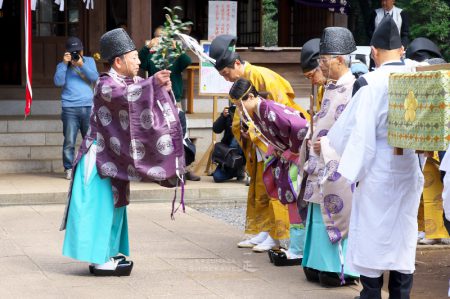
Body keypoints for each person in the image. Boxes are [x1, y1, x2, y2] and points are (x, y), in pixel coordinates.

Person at [61, 28, 183, 276]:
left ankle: (109, 251)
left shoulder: (135, 82)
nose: (138, 61)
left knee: (116, 205)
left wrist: (162, 87)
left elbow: (145, 94)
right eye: (134, 56)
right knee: (100, 206)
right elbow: (126, 95)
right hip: (98, 156)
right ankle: (98, 258)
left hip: (115, 155)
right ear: (118, 61)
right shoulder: (105, 84)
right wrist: (153, 84)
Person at [327, 16, 424, 299]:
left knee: (371, 233)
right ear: (402, 50)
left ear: (373, 51)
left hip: (378, 166)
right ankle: (400, 295)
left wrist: (352, 170)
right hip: (409, 164)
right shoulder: (420, 75)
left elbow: (354, 134)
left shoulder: (368, 81)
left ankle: (370, 294)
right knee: (403, 233)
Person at [209, 34, 309, 252]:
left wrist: (259, 133)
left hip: (275, 144)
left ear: (237, 63)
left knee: (277, 188)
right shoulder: (240, 82)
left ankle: (276, 234)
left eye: (227, 73)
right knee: (261, 187)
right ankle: (264, 229)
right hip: (258, 143)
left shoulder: (262, 76)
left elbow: (283, 114)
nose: (227, 79)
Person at [297, 29, 358, 287]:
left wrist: (329, 146)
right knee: (315, 211)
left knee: (333, 211)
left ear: (340, 61)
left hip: (336, 165)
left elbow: (356, 131)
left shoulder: (356, 88)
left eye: (324, 61)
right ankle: (314, 260)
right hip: (318, 161)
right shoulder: (330, 87)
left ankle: (338, 267)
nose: (321, 66)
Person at [228, 78, 308, 263]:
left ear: (249, 97)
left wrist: (293, 151)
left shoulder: (270, 109)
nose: (239, 110)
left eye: (240, 105)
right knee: (291, 200)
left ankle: (300, 248)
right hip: (285, 156)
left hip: (297, 157)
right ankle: (297, 248)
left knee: (298, 201)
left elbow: (300, 126)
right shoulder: (257, 111)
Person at [139, 26, 199, 181]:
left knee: (180, 131)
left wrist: (177, 48)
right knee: (158, 132)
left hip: (174, 98)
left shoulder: (174, 54)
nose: (162, 41)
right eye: (159, 37)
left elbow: (187, 62)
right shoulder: (152, 56)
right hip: (155, 99)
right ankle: (158, 167)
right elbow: (141, 63)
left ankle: (184, 168)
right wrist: (147, 47)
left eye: (165, 38)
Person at [405, 37, 449, 245]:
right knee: (427, 187)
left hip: (442, 143)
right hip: (428, 143)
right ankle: (429, 229)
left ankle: (439, 230)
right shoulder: (421, 82)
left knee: (439, 188)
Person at [54, 37, 98, 180]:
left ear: (82, 50)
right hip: (70, 108)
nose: (75, 54)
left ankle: (89, 167)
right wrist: (64, 64)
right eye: (73, 51)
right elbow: (58, 82)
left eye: (77, 51)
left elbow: (95, 78)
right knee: (69, 141)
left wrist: (82, 64)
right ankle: (68, 168)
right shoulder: (62, 65)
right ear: (67, 52)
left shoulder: (89, 61)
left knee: (90, 139)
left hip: (88, 105)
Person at [212, 105, 246, 182]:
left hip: (244, 152)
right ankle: (233, 170)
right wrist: (223, 116)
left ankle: (240, 168)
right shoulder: (229, 114)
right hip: (228, 154)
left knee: (237, 139)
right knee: (217, 177)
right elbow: (216, 129)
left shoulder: (248, 114)